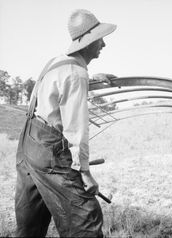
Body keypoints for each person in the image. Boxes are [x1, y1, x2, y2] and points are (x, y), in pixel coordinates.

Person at [15, 9, 116, 237]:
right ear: (88, 42)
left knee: (30, 223)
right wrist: (85, 172)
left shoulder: (58, 63)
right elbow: (76, 128)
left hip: (28, 145)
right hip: (48, 149)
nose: (103, 44)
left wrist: (91, 78)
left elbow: (57, 89)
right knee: (84, 218)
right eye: (100, 39)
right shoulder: (76, 74)